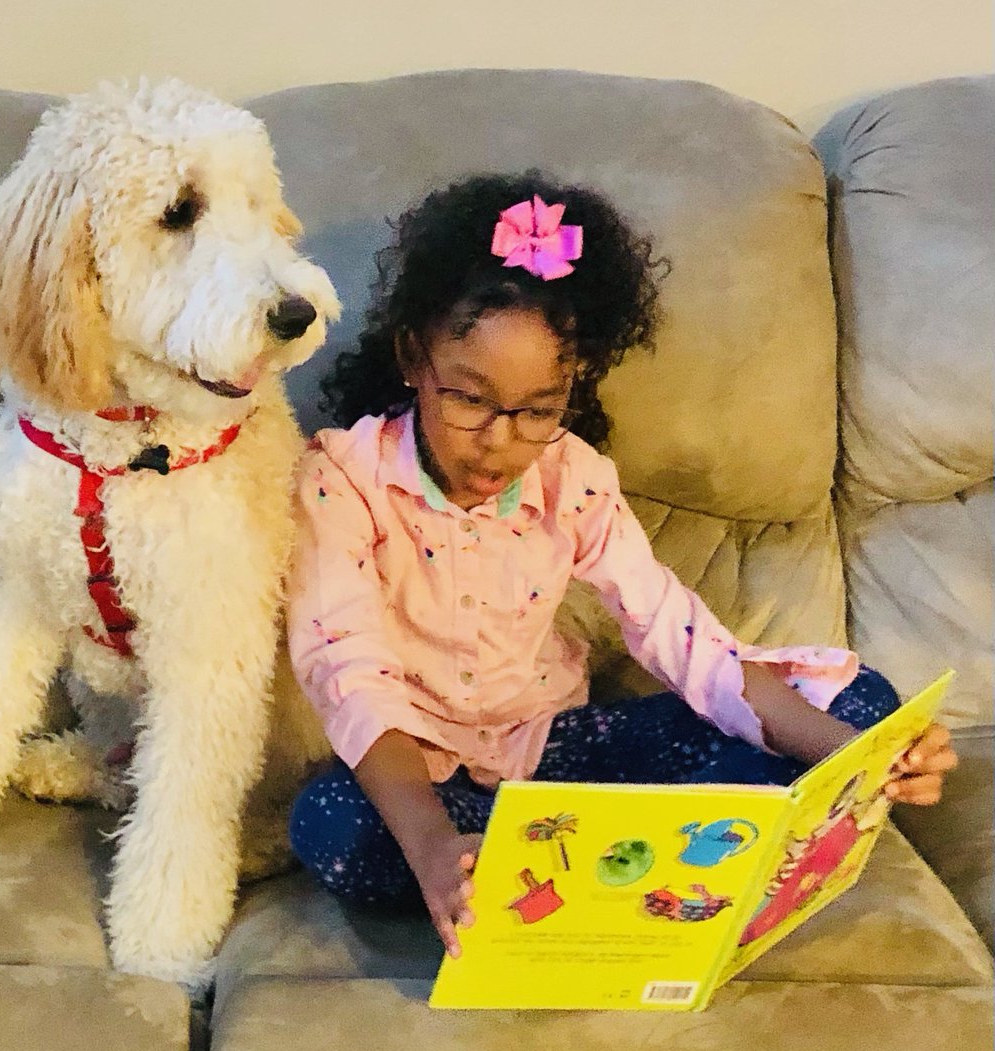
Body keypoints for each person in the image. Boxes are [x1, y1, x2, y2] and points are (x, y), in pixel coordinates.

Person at [285, 172, 958, 956]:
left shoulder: (574, 477)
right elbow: (350, 674)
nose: (501, 443)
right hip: (425, 779)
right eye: (470, 400)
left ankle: (578, 854)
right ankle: (522, 860)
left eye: (537, 410)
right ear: (411, 355)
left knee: (860, 708)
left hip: (559, 752)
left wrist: (852, 758)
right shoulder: (341, 479)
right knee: (333, 828)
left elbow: (681, 637)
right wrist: (433, 848)